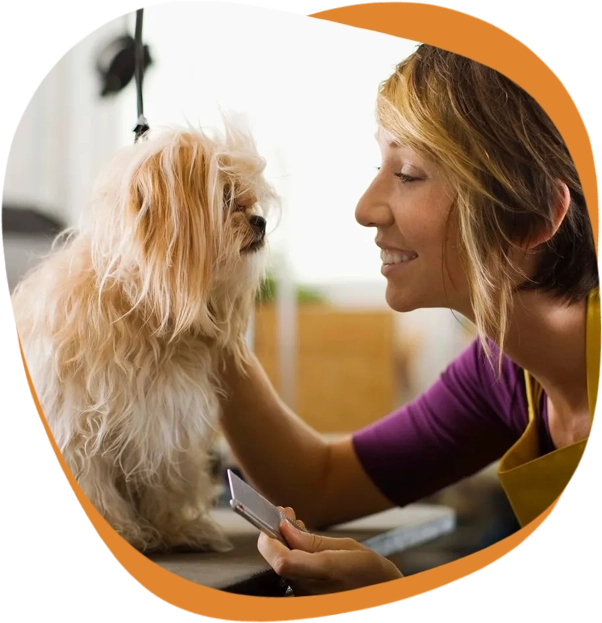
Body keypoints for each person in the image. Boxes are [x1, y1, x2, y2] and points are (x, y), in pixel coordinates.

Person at [218, 44, 601, 596]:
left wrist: (392, 593)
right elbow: (318, 484)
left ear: (535, 214)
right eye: (381, 167)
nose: (365, 208)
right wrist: (209, 322)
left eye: (410, 173)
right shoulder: (504, 370)